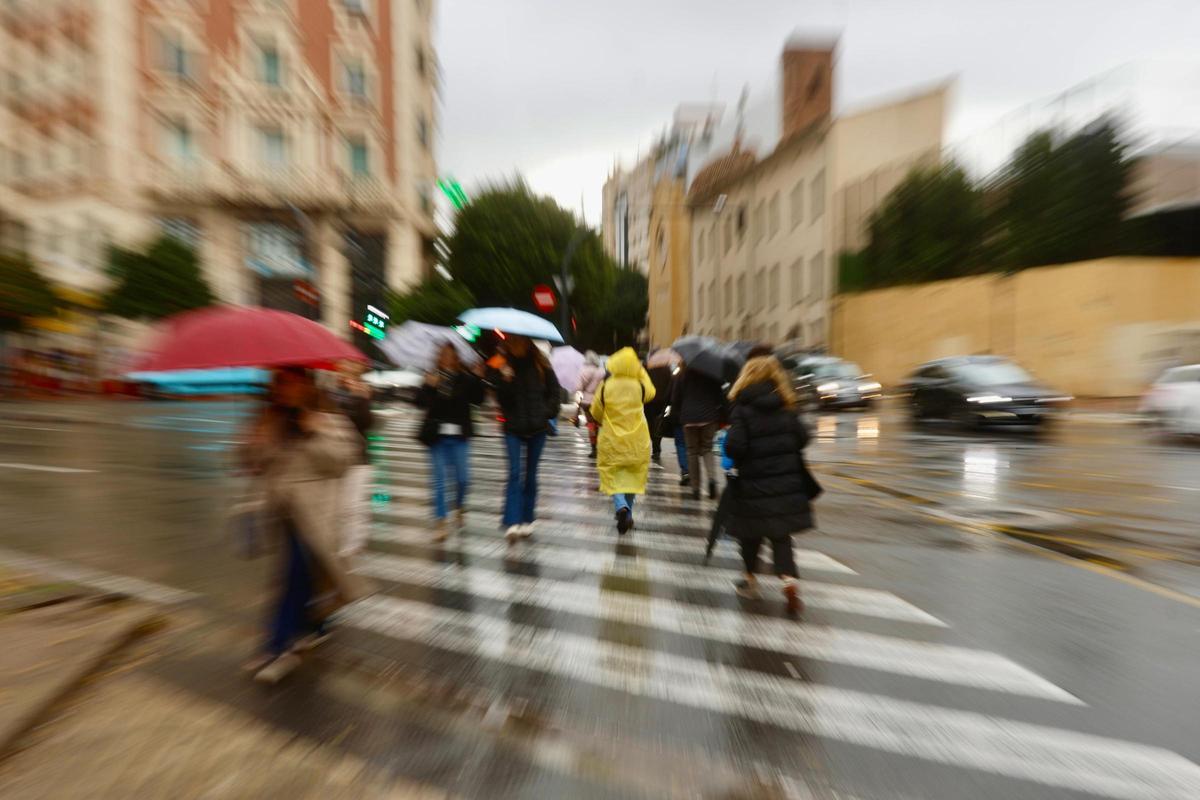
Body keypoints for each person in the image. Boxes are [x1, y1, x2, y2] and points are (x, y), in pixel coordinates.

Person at [239, 367, 367, 683]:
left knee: (293, 578)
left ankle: (278, 646)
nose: (282, 389)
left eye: (289, 383)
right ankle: (314, 624)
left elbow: (343, 460)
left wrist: (313, 431)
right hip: (281, 513)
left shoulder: (327, 418)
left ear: (306, 385)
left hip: (315, 517)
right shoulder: (272, 419)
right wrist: (254, 443)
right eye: (278, 383)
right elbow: (252, 461)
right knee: (303, 577)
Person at [724, 355, 822, 614]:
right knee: (781, 536)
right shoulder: (786, 405)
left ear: (746, 377)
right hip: (785, 483)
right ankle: (788, 580)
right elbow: (803, 438)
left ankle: (749, 578)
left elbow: (735, 447)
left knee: (749, 533)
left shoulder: (742, 408)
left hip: (752, 484)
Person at [487, 335, 561, 541]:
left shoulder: (541, 364)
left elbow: (555, 393)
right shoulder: (503, 364)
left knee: (531, 474)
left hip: (537, 429)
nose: (515, 344)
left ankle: (528, 518)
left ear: (527, 342)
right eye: (512, 342)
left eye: (519, 341)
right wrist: (505, 380)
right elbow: (500, 399)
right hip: (513, 428)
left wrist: (545, 413)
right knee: (514, 473)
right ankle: (512, 521)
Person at [416, 343, 485, 540]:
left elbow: (478, 400)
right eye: (442, 354)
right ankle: (441, 521)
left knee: (463, 479)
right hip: (437, 437)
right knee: (439, 480)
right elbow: (419, 402)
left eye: (449, 355)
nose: (446, 358)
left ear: (456, 358)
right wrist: (428, 386)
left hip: (459, 437)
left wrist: (478, 378)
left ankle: (460, 507)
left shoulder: (465, 378)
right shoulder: (432, 375)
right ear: (438, 357)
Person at [590, 347, 656, 534]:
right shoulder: (640, 385)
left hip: (612, 440)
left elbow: (596, 411)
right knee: (633, 478)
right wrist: (640, 372)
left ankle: (621, 506)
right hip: (637, 441)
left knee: (611, 474)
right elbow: (652, 392)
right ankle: (628, 513)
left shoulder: (606, 385)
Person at [331, 363, 374, 557]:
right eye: (343, 365)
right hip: (335, 456)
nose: (345, 369)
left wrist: (361, 398)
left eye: (349, 366)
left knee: (354, 505)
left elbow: (367, 423)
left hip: (357, 458)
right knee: (339, 505)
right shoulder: (331, 392)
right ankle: (344, 541)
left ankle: (355, 543)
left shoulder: (362, 391)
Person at [676, 364, 726, 500]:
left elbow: (676, 398)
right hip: (709, 416)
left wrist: (679, 414)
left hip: (688, 417)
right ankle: (711, 479)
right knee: (707, 449)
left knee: (692, 452)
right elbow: (720, 396)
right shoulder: (712, 372)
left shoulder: (682, 375)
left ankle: (695, 488)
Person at [643, 352, 673, 462]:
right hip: (662, 401)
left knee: (650, 423)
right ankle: (657, 445)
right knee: (660, 422)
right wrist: (669, 400)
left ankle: (655, 445)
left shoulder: (646, 367)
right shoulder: (667, 369)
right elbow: (670, 384)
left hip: (649, 400)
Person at [576, 352, 605, 458]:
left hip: (587, 402)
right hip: (600, 401)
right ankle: (601, 446)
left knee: (591, 425)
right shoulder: (602, 370)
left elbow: (578, 387)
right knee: (600, 424)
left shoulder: (584, 370)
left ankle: (594, 448)